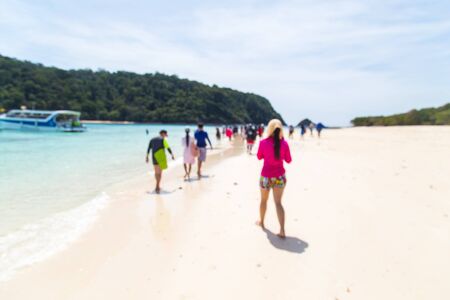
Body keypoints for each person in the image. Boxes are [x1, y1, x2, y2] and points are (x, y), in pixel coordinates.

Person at [256, 119, 292, 238]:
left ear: (269, 129)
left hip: (266, 176)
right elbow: (288, 160)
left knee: (263, 200)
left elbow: (259, 157)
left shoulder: (263, 142)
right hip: (280, 177)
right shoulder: (284, 143)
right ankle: (282, 230)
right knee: (278, 203)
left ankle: (261, 221)